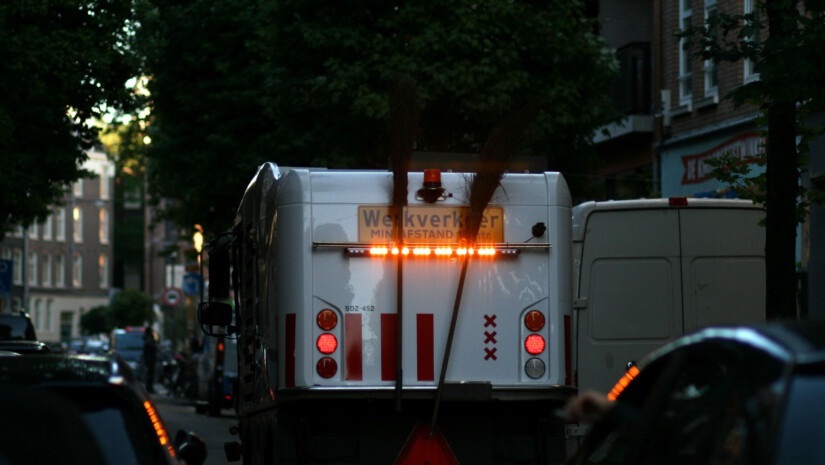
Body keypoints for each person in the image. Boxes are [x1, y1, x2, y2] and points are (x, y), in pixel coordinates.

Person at [142, 326, 158, 393]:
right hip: (150, 359)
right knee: (150, 374)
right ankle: (149, 388)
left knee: (150, 373)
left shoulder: (147, 338)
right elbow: (151, 347)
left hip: (149, 359)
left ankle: (149, 387)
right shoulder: (149, 338)